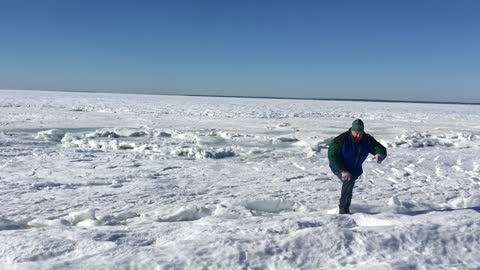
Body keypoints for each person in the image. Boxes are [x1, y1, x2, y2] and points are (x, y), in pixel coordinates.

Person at [328, 119, 387, 214]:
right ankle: (343, 211)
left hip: (355, 169)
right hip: (339, 166)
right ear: (351, 130)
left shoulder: (367, 139)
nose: (359, 135)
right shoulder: (340, 140)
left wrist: (379, 154)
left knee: (350, 183)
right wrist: (342, 170)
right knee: (348, 180)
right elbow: (332, 157)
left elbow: (379, 147)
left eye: (361, 133)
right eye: (356, 133)